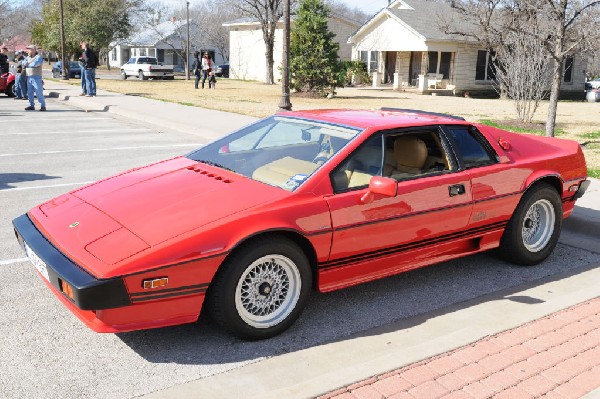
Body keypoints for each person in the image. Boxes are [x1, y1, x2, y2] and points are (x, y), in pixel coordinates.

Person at [23, 45, 46, 111]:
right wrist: (27, 63)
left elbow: (35, 64)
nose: (28, 51)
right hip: (29, 77)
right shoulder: (27, 57)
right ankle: (31, 105)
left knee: (38, 92)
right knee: (29, 92)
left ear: (33, 50)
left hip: (36, 77)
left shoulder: (38, 57)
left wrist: (28, 64)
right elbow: (23, 63)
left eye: (29, 49)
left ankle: (43, 106)